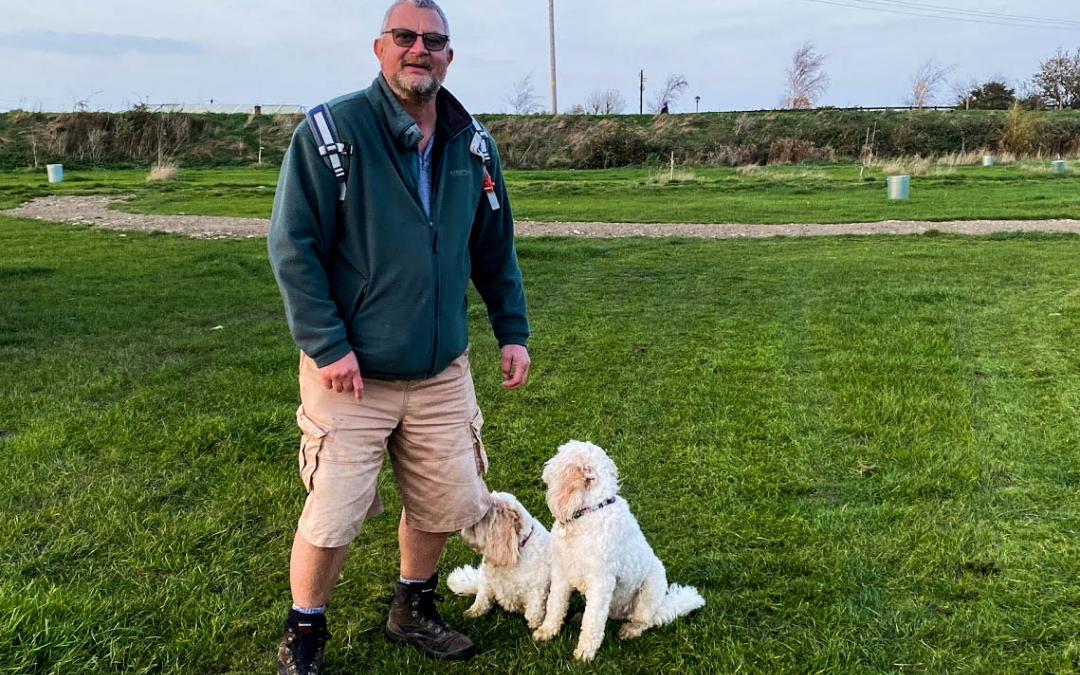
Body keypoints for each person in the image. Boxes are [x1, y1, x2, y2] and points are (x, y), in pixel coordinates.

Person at [267, 0, 530, 671]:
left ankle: (411, 605)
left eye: (434, 39)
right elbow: (293, 246)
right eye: (405, 36)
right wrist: (328, 344)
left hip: (441, 368)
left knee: (444, 500)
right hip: (350, 373)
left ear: (449, 54)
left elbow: (494, 248)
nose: (420, 49)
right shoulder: (331, 133)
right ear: (379, 47)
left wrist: (512, 330)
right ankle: (305, 631)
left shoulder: (473, 143)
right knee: (334, 511)